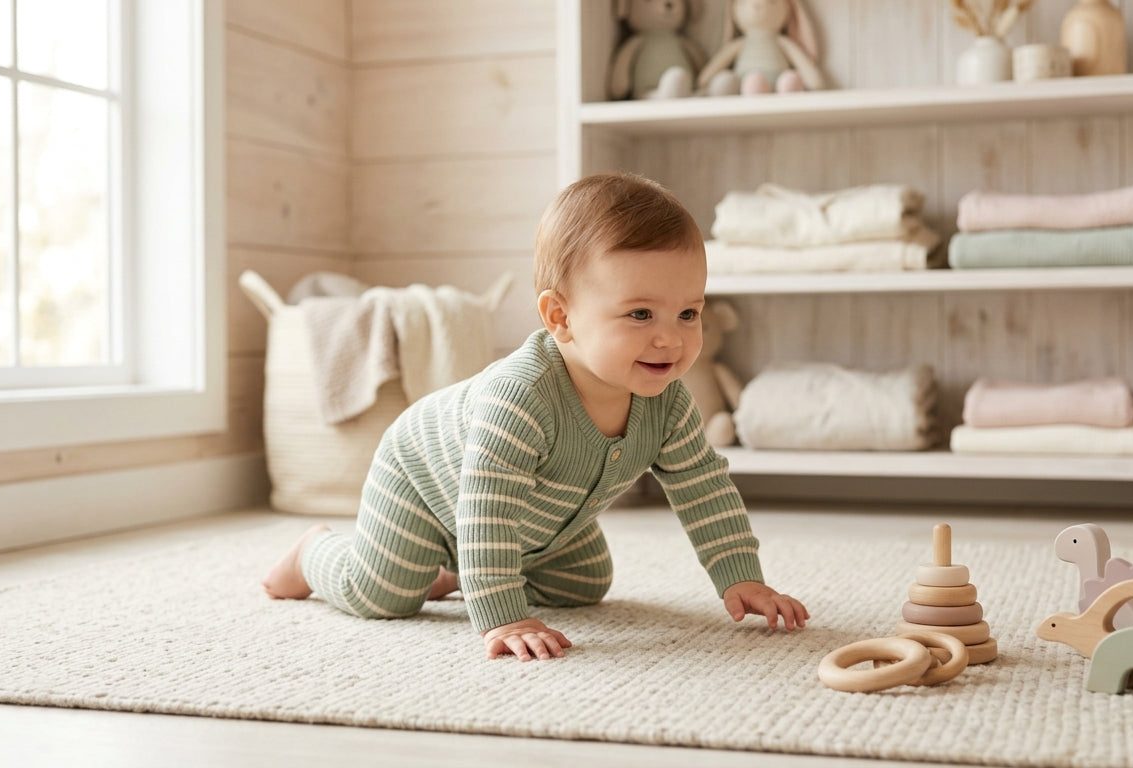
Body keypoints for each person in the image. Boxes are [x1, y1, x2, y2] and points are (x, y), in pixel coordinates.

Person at [262, 172, 810, 662]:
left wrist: (742, 577)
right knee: (381, 594)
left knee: (587, 583)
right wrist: (502, 614)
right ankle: (314, 551)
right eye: (640, 314)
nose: (671, 337)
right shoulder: (520, 397)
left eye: (688, 312)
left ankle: (460, 573)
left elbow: (703, 488)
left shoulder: (667, 400)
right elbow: (487, 508)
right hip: (426, 485)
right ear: (560, 316)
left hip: (543, 522)